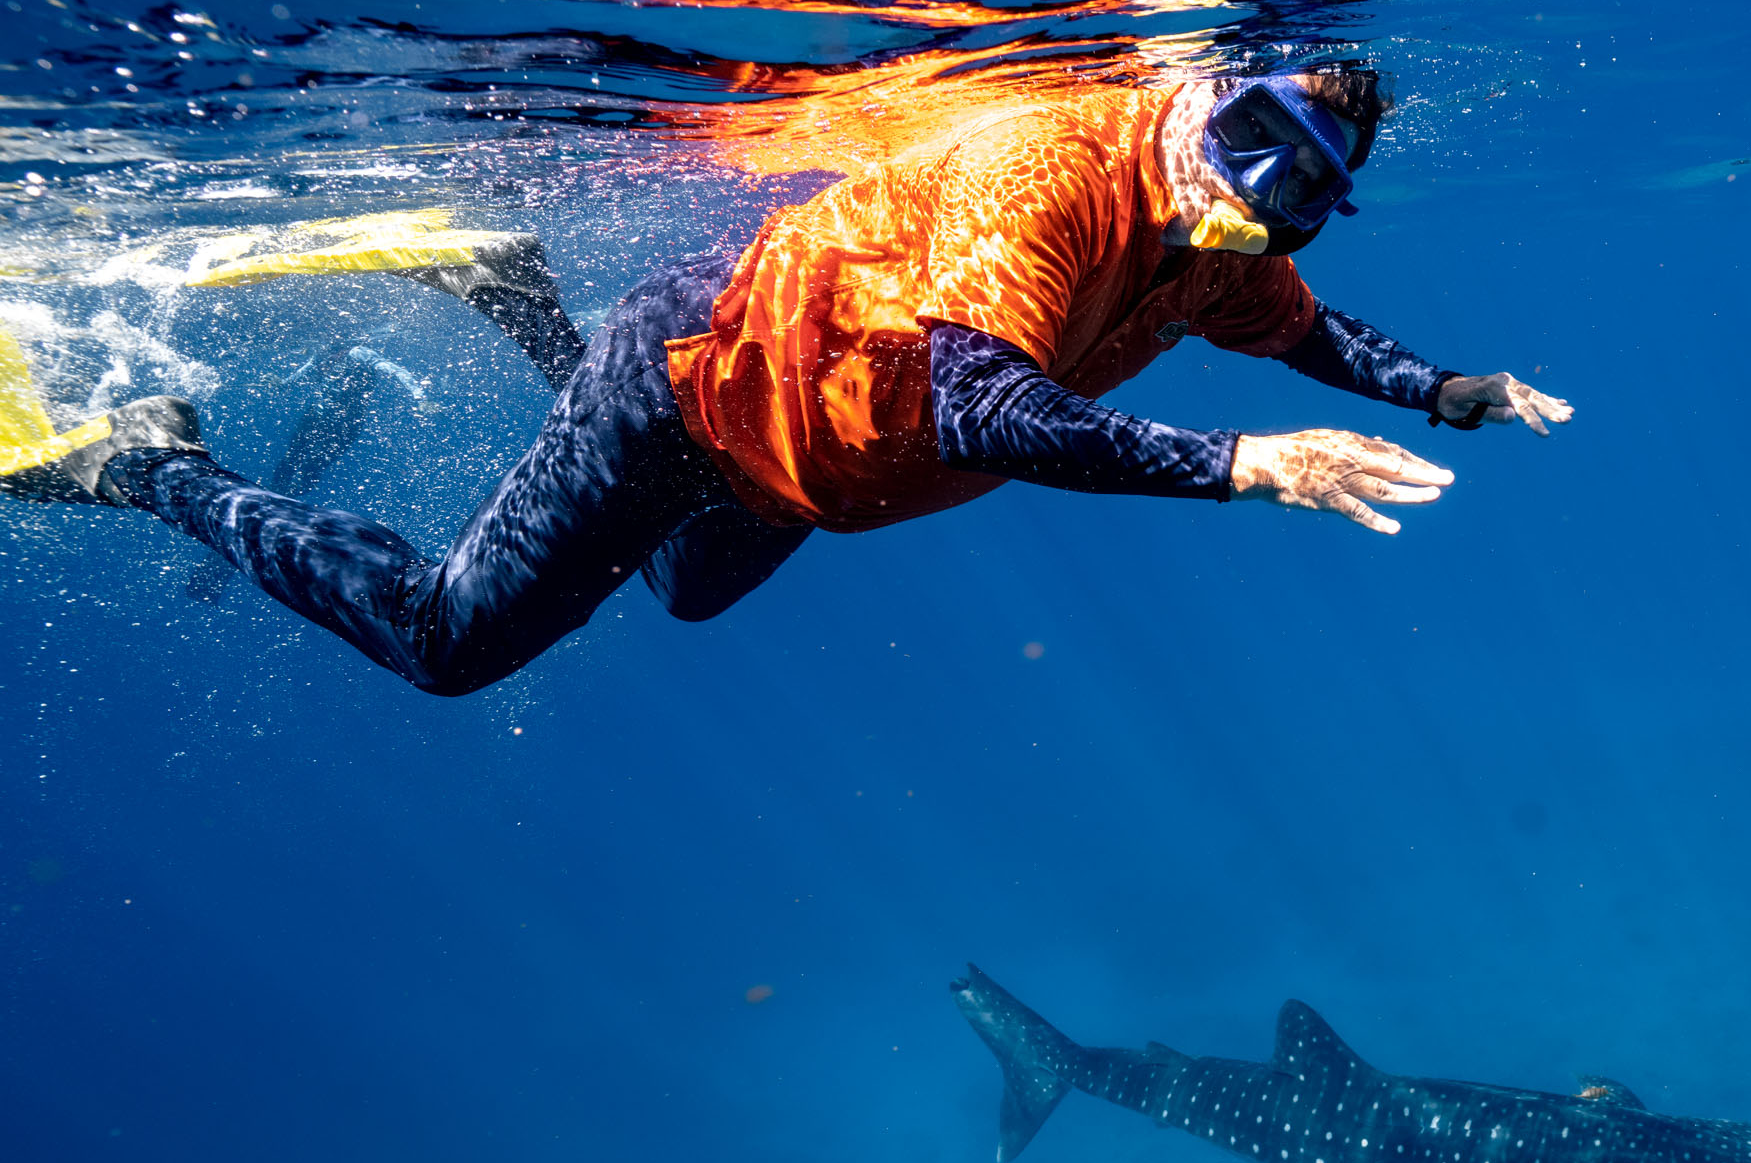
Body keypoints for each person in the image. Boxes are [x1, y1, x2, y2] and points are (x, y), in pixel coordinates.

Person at [0, 62, 1570, 695]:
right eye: (1245, 148)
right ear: (1193, 101)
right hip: (688, 381)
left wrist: (1438, 390)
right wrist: (1247, 466)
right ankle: (152, 461)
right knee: (445, 645)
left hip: (784, 456)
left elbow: (1304, 331)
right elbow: (984, 409)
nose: (1250, 200)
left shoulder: (1220, 244)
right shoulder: (1052, 175)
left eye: (1294, 191)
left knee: (681, 592)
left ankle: (510, 290)